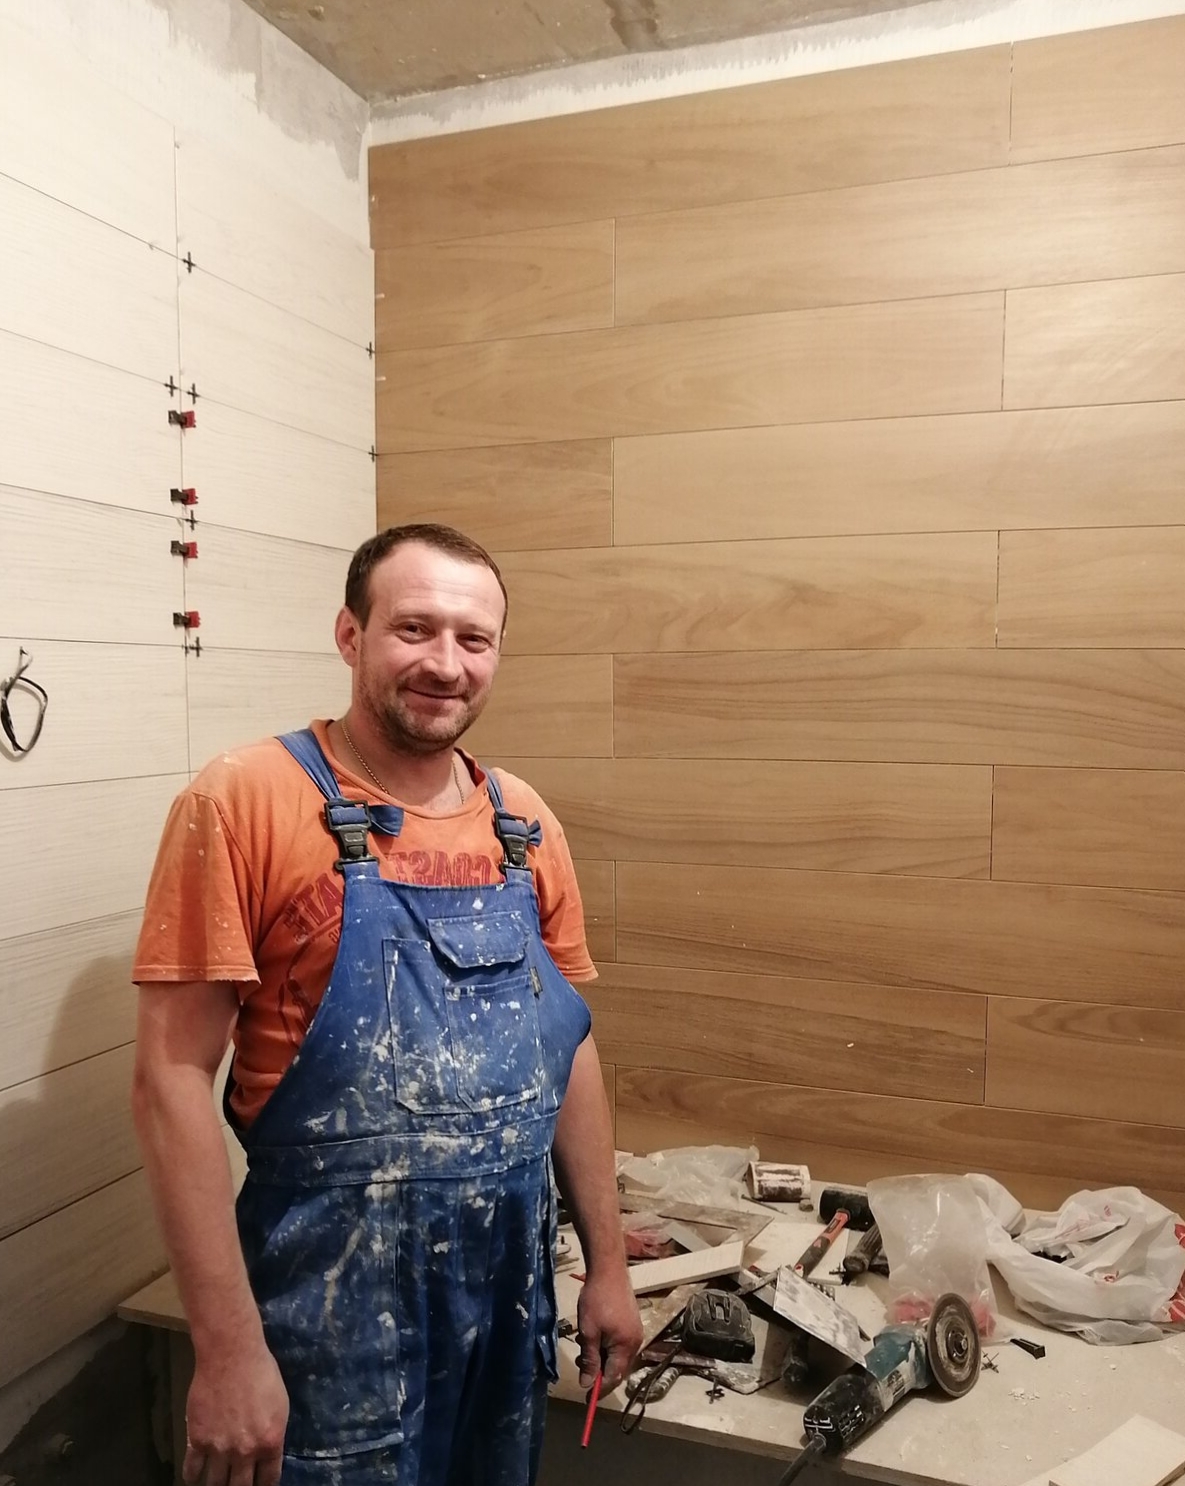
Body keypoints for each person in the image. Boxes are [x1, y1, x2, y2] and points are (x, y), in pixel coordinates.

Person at [131, 523, 642, 1486]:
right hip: (328, 1312)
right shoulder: (244, 800)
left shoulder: (524, 823)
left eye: (473, 638)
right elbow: (169, 1078)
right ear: (350, 635)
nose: (445, 664)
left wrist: (606, 1267)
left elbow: (566, 1048)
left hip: (503, 1302)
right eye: (414, 629)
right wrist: (228, 1350)